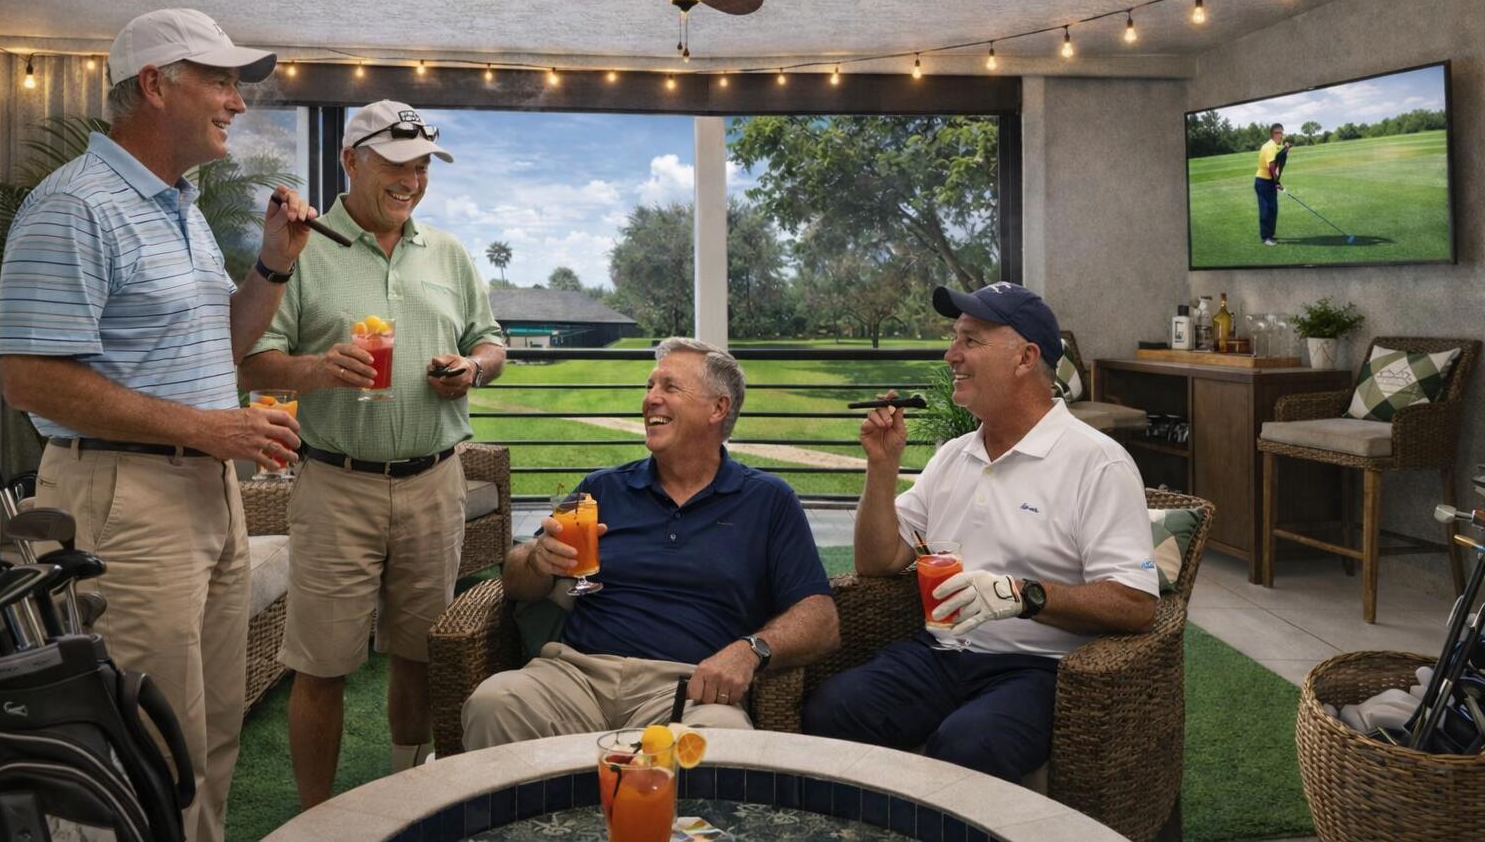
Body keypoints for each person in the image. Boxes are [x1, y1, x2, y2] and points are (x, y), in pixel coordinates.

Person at [0, 7, 313, 842]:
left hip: (206, 493)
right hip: (126, 497)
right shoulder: (73, 206)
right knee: (144, 738)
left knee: (206, 734)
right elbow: (28, 377)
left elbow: (227, 344)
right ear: (154, 86)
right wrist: (211, 431)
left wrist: (275, 262)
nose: (237, 101)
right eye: (219, 80)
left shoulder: (181, 208)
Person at [238, 99, 505, 808]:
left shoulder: (447, 253)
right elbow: (254, 363)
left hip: (434, 483)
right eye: (395, 165)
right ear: (350, 160)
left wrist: (472, 369)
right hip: (336, 485)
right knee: (320, 665)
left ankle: (404, 799)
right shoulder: (301, 249)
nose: (410, 181)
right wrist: (321, 370)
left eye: (420, 167)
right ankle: (316, 819)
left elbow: (493, 340)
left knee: (421, 655)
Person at [801, 282, 1159, 783]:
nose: (951, 355)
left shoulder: (1096, 463)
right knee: (830, 711)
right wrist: (882, 468)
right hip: (940, 653)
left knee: (968, 747)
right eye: (954, 339)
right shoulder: (954, 455)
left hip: (1036, 667)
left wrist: (1022, 596)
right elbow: (877, 562)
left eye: (970, 340)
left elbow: (1136, 604)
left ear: (1024, 357)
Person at [462, 338, 839, 749]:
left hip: (688, 687)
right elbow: (516, 582)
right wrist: (536, 559)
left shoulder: (767, 500)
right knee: (493, 702)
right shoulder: (603, 487)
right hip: (576, 675)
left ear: (718, 408)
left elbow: (821, 618)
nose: (650, 400)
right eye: (649, 387)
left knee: (723, 741)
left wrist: (751, 650)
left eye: (669, 388)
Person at [1255, 123, 1290, 245]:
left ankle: (1270, 235)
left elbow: (1277, 159)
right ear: (1273, 134)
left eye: (1282, 132)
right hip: (1263, 182)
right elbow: (1271, 166)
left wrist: (1286, 149)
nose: (1282, 135)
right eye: (1279, 133)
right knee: (1266, 210)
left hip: (1269, 181)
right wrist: (1277, 182)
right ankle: (1265, 237)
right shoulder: (1270, 146)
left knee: (1273, 209)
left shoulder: (1274, 146)